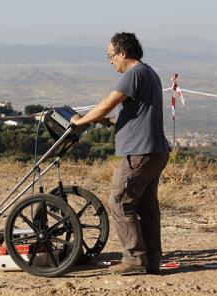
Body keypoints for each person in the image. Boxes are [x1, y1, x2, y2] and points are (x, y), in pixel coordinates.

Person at [71, 32, 170, 275]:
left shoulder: (133, 74)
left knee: (120, 201)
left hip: (139, 152)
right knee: (146, 207)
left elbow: (108, 103)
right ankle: (152, 261)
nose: (110, 61)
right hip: (155, 150)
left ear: (123, 53)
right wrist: (109, 122)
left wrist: (80, 122)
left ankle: (134, 260)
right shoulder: (149, 72)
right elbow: (138, 114)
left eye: (110, 56)